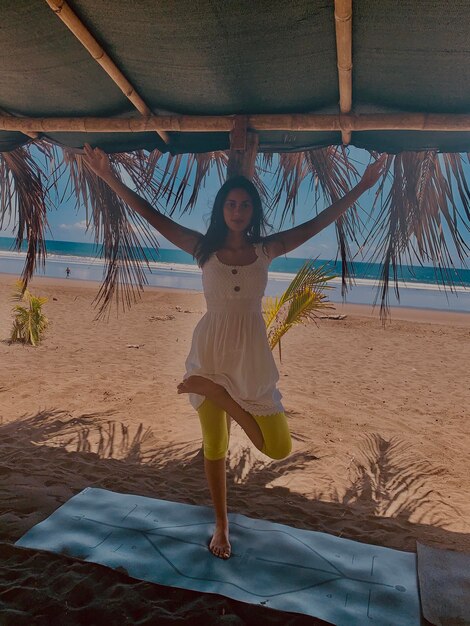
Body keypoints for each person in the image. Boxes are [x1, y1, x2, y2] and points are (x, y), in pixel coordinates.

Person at [83, 144, 386, 560]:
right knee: (215, 444)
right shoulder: (202, 248)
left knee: (278, 446)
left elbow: (317, 223)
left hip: (251, 358)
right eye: (230, 203)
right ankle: (221, 523)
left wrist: (361, 186)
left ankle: (220, 395)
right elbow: (152, 215)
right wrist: (107, 176)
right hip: (210, 352)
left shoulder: (266, 250)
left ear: (252, 210)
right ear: (221, 209)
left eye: (244, 204)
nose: (237, 210)